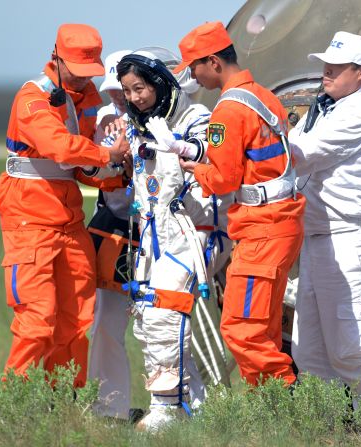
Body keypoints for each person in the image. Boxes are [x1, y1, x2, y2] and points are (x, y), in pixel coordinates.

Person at [0, 24, 130, 388]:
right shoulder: (32, 98)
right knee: (37, 320)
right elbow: (58, 147)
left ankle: (65, 402)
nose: (86, 80)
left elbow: (82, 168)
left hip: (69, 223)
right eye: (78, 70)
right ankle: (13, 406)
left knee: (77, 322)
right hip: (30, 223)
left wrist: (118, 174)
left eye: (91, 72)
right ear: (56, 58)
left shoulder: (87, 99)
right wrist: (107, 154)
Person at [175, 22, 306, 387]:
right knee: (262, 326)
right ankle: (271, 406)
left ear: (213, 62)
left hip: (261, 227)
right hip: (281, 221)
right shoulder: (263, 96)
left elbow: (223, 180)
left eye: (193, 67)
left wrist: (194, 168)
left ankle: (282, 404)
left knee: (241, 328)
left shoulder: (227, 111)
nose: (192, 77)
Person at [113, 47, 232, 431]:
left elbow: (208, 152)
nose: (134, 98)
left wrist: (174, 144)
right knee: (149, 318)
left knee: (164, 311)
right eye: (128, 91)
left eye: (140, 88)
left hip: (197, 232)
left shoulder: (199, 117)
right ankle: (193, 406)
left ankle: (166, 408)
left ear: (161, 83)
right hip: (155, 235)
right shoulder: (135, 124)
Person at [289, 32, 361, 405]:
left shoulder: (360, 112)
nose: (326, 72)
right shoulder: (324, 107)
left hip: (349, 237)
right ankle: (327, 427)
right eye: (325, 65)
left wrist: (255, 135)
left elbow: (299, 154)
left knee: (349, 347)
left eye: (336, 67)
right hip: (318, 238)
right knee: (309, 349)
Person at [86, 49, 137, 421]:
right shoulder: (106, 121)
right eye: (113, 91)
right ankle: (109, 408)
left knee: (162, 327)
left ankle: (183, 406)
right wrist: (116, 155)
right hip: (115, 233)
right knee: (105, 322)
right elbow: (99, 174)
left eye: (125, 90)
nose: (117, 99)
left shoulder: (163, 119)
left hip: (158, 234)